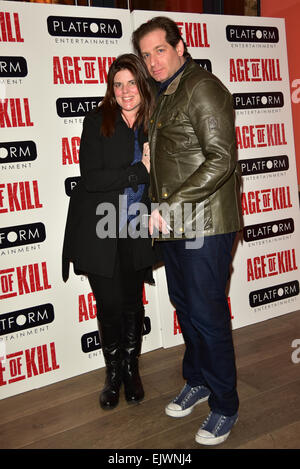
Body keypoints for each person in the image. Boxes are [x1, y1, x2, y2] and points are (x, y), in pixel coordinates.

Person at [132, 17, 243, 445]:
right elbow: (182, 152)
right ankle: (197, 380)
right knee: (186, 306)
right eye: (146, 54)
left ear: (181, 45)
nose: (153, 61)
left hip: (206, 223)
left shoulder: (202, 87)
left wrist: (169, 204)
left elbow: (221, 159)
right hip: (177, 225)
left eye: (160, 50)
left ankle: (226, 405)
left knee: (207, 313)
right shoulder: (164, 93)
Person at [62, 53, 156, 410]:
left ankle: (132, 370)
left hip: (136, 226)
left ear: (142, 85)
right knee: (110, 303)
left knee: (133, 302)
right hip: (100, 228)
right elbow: (92, 178)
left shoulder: (154, 121)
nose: (125, 90)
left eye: (131, 82)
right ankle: (112, 374)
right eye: (118, 84)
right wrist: (138, 171)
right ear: (110, 88)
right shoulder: (98, 120)